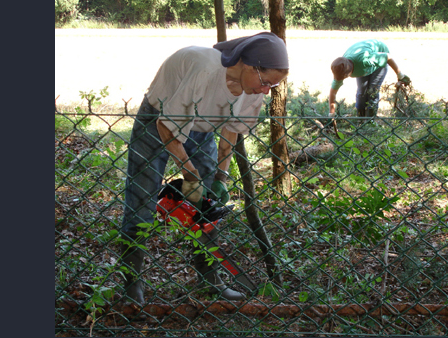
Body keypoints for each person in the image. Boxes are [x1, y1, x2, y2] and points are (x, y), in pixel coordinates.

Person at [119, 32, 289, 305]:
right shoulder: (204, 71)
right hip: (158, 119)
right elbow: (167, 126)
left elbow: (231, 132)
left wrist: (220, 177)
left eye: (273, 85)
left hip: (202, 126)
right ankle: (131, 282)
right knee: (142, 198)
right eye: (266, 82)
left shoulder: (254, 90)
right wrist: (190, 174)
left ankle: (210, 278)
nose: (266, 90)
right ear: (249, 66)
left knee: (208, 204)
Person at [328, 39, 411, 117]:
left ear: (349, 73)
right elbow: (333, 92)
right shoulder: (340, 68)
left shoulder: (365, 60)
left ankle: (370, 122)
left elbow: (387, 57)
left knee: (373, 91)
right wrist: (331, 114)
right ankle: (360, 119)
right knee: (361, 92)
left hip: (378, 56)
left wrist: (400, 75)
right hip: (363, 66)